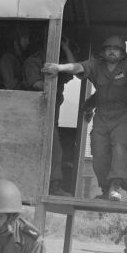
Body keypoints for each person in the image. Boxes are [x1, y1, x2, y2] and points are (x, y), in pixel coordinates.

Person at [42, 34, 127, 202]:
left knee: (120, 149)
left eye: (116, 49)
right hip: (102, 117)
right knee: (99, 155)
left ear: (122, 53)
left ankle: (116, 186)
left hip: (123, 117)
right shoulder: (95, 66)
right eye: (109, 49)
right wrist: (59, 68)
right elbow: (77, 67)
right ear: (103, 52)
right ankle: (106, 189)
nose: (112, 52)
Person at [24, 35, 77, 197]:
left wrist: (66, 48)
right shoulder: (33, 61)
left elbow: (74, 69)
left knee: (55, 149)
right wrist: (51, 83)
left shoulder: (58, 63)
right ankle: (52, 188)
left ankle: (51, 187)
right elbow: (36, 83)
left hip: (52, 113)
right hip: (36, 114)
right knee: (54, 150)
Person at [0, 24, 31, 90]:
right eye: (24, 38)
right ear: (16, 40)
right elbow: (11, 85)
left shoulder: (20, 58)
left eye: (28, 38)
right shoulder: (7, 59)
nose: (28, 42)